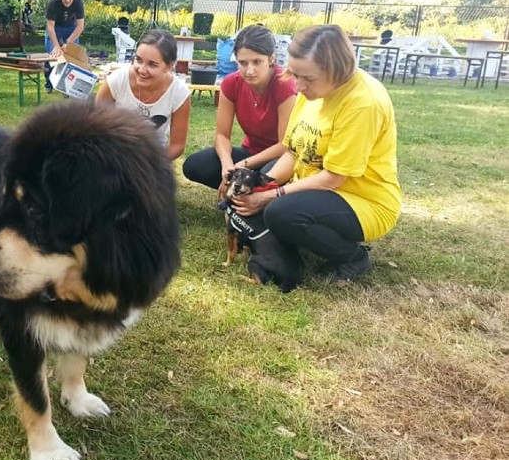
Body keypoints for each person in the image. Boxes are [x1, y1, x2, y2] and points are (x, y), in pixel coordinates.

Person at [230, 24, 402, 286]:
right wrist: (260, 184)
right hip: (315, 188)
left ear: (336, 70)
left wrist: (271, 195)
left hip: (361, 199)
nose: (297, 87)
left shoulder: (362, 103)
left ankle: (354, 257)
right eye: (294, 74)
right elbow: (292, 152)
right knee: (259, 199)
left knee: (279, 212)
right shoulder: (310, 91)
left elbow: (334, 178)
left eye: (307, 79)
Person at [182, 24, 297, 192]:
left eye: (257, 62)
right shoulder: (231, 83)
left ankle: (255, 194)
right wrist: (227, 166)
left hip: (281, 159)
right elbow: (222, 135)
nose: (249, 70)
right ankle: (245, 191)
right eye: (243, 63)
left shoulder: (284, 84)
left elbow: (284, 145)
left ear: (271, 59)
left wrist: (242, 165)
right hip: (250, 152)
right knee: (194, 165)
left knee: (265, 175)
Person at [96, 29, 191, 160]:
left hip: (153, 157)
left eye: (152, 64)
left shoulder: (179, 93)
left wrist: (150, 164)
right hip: (113, 153)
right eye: (138, 60)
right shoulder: (116, 81)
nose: (142, 70)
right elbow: (95, 129)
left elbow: (177, 146)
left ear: (169, 66)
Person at [44, 0, 85, 93]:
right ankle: (49, 84)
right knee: (52, 56)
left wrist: (68, 42)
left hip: (71, 28)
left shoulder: (78, 3)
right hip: (55, 27)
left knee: (72, 57)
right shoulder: (53, 2)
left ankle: (68, 87)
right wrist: (57, 46)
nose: (68, 0)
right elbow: (50, 26)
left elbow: (80, 26)